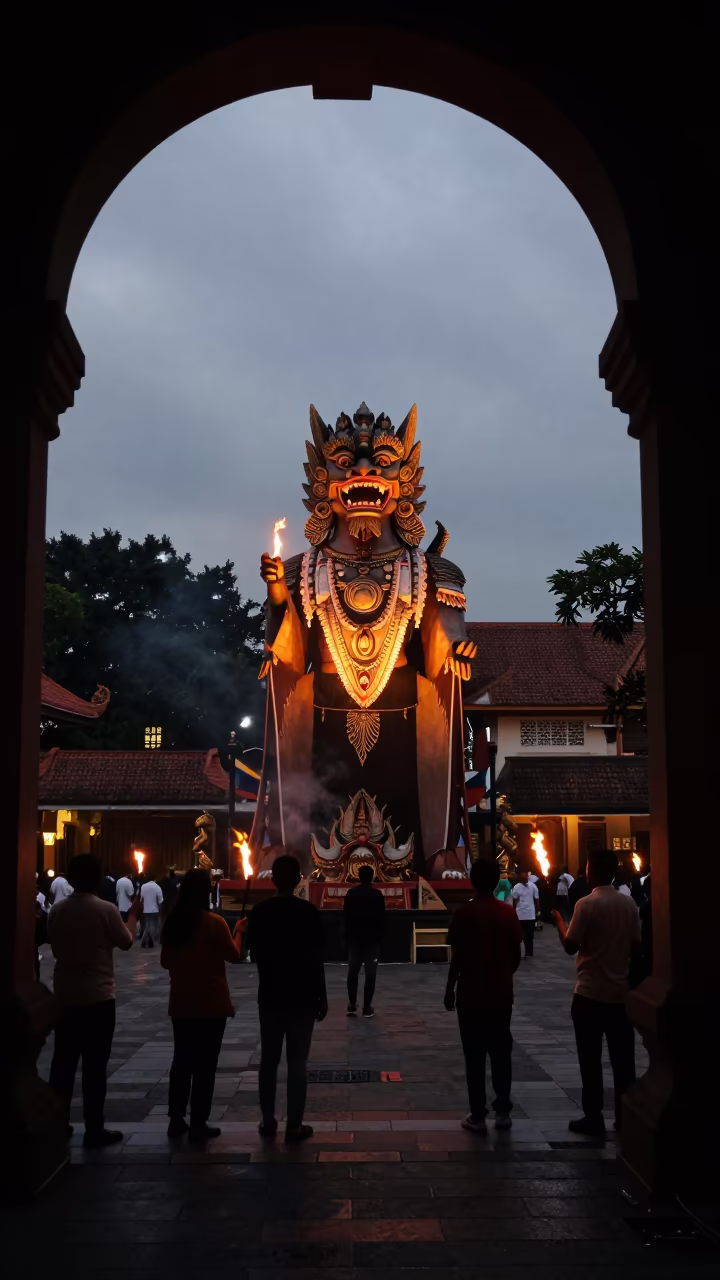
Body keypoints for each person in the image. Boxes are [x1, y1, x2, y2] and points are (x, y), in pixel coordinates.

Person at [48, 853, 141, 1146]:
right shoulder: (105, 910)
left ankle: (57, 1123)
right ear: (99, 878)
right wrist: (134, 915)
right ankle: (94, 1127)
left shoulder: (57, 910)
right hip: (98, 997)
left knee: (62, 1064)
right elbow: (126, 942)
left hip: (65, 996)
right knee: (94, 1067)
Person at [552, 847, 641, 1135]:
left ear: (593, 871)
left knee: (590, 1061)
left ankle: (594, 1117)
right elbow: (637, 947)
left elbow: (571, 946)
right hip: (619, 993)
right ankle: (625, 1116)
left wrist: (560, 924)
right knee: (623, 1063)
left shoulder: (586, 904)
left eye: (588, 866)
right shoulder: (629, 905)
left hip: (589, 993)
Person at [246, 854, 327, 1142]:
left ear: (272, 880)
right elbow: (317, 957)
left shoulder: (260, 911)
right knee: (297, 1062)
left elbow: (252, 952)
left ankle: (268, 1121)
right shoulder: (307, 912)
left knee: (269, 1060)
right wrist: (323, 995)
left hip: (269, 994)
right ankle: (294, 1124)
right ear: (298, 880)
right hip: (303, 995)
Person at [160, 868, 244, 1141]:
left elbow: (164, 961)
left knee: (182, 1060)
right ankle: (198, 1121)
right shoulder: (215, 922)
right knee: (205, 1063)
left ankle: (175, 1118)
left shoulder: (173, 922)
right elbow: (234, 955)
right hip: (210, 1002)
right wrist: (239, 930)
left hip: (182, 1001)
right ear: (206, 892)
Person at [445, 859, 522, 1133]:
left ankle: (478, 1114)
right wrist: (503, 975)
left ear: (472, 881)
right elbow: (515, 954)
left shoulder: (464, 912)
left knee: (474, 1055)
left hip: (471, 995)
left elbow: (458, 956)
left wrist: (450, 988)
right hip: (501, 994)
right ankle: (503, 1111)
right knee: (501, 1053)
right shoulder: (507, 913)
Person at [344, 865, 385, 1017]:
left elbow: (346, 916)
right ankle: (367, 1007)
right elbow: (381, 918)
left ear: (358, 876)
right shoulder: (377, 895)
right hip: (372, 941)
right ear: (373, 876)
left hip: (355, 940)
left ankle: (352, 1004)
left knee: (352, 972)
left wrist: (346, 936)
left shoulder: (351, 893)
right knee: (370, 974)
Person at [512, 869, 539, 957]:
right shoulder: (516, 887)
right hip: (520, 915)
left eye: (525, 874)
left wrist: (538, 911)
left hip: (530, 915)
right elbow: (514, 900)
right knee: (519, 934)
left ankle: (529, 952)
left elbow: (536, 900)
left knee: (530, 936)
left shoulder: (533, 886)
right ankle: (519, 952)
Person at [140, 873, 163, 947]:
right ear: (154, 879)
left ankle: (149, 941)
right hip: (154, 909)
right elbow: (160, 900)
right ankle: (147, 941)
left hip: (146, 909)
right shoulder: (157, 887)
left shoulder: (143, 886)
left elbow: (141, 899)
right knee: (152, 926)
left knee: (148, 925)